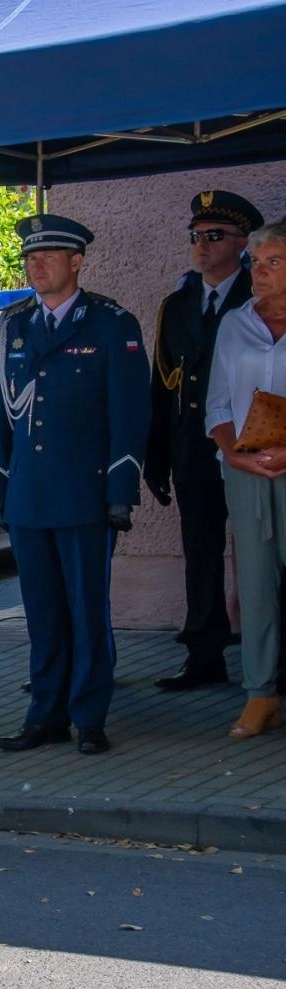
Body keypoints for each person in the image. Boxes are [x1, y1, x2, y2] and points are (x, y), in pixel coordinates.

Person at [0, 214, 150, 755]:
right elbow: (0, 417)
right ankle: (46, 715)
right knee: (42, 614)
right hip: (30, 496)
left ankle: (89, 716)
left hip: (85, 493)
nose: (36, 266)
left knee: (87, 612)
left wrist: (120, 491)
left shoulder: (109, 322)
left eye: (48, 257)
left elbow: (130, 415)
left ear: (76, 262)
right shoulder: (15, 325)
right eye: (30, 258)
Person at [146, 191, 264, 690]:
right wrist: (155, 456)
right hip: (193, 450)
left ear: (242, 244)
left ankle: (268, 653)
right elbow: (163, 384)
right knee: (201, 552)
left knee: (261, 552)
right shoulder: (178, 305)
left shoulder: (260, 299)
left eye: (214, 236)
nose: (201, 246)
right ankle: (204, 654)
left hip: (250, 449)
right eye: (196, 236)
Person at [205, 217, 286, 739]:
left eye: (274, 262)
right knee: (255, 586)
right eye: (257, 262)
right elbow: (216, 402)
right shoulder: (235, 323)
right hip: (247, 470)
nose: (260, 272)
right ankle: (261, 694)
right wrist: (233, 454)